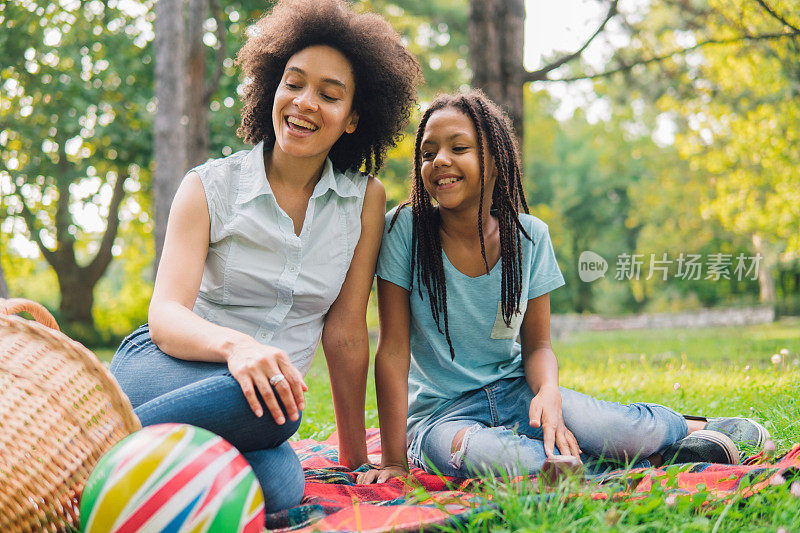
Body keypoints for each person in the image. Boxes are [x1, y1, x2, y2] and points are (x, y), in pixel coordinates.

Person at [357, 90, 769, 484]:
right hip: (441, 418)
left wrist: (549, 394)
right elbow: (393, 348)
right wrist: (394, 461)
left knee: (615, 429)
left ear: (496, 160)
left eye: (458, 148)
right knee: (500, 460)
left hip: (519, 392)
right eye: (428, 153)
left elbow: (537, 347)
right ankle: (659, 461)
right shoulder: (405, 229)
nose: (439, 161)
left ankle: (697, 428)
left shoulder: (529, 237)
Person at [110, 0, 420, 511]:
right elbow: (165, 315)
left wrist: (350, 459)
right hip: (166, 366)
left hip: (262, 406)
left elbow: (344, 333)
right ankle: (95, 443)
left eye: (329, 94)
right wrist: (238, 349)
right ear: (272, 87)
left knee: (279, 486)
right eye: (293, 83)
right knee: (279, 407)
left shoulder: (365, 202)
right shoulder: (208, 187)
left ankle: (126, 456)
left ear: (353, 119)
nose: (303, 102)